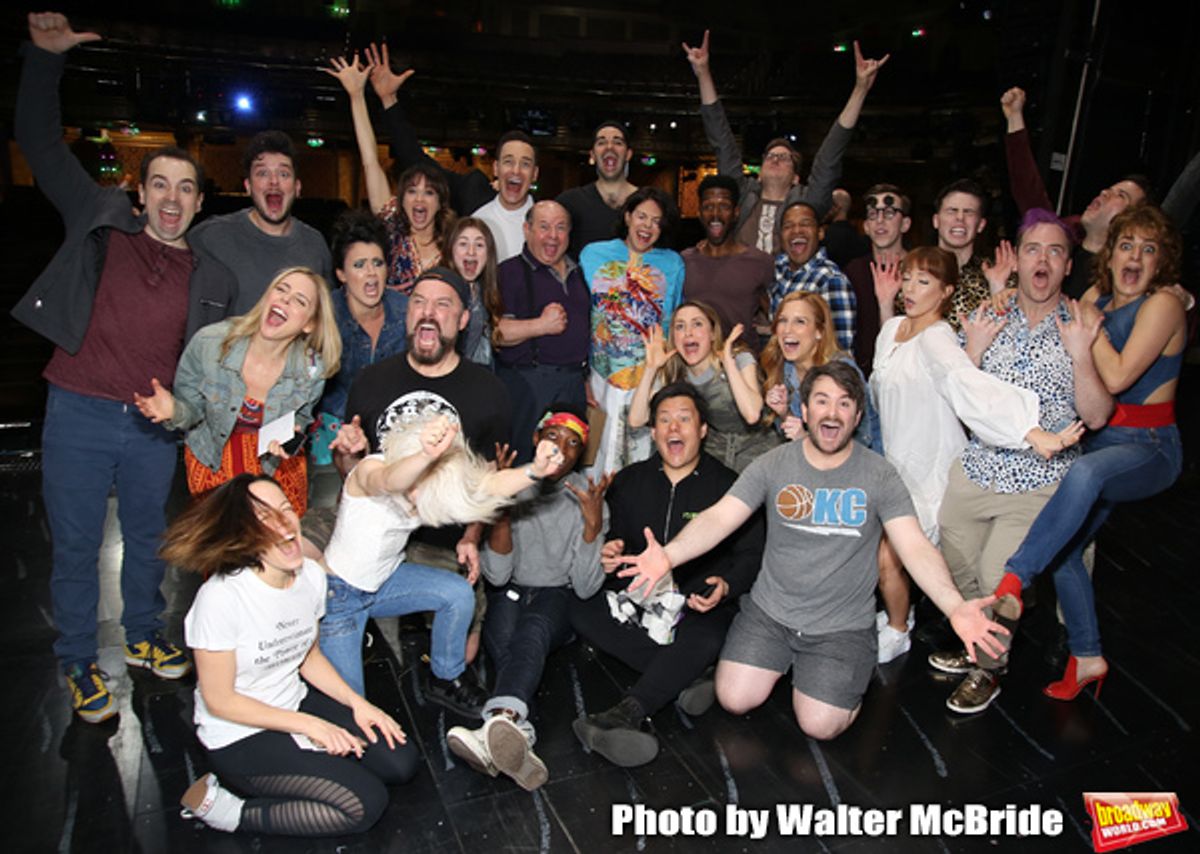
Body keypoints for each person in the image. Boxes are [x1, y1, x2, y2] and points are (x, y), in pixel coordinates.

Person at [14, 12, 237, 723]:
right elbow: (40, 146)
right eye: (160, 186)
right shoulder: (99, 219)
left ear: (200, 204)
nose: (171, 199)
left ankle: (142, 635)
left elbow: (210, 365)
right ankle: (80, 663)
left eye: (186, 190)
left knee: (149, 540)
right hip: (77, 409)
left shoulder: (210, 275)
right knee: (78, 544)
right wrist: (44, 60)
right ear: (140, 193)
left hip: (148, 427)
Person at [614, 362, 1008, 741]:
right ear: (804, 410)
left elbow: (915, 547)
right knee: (733, 699)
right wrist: (669, 555)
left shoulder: (879, 475)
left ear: (856, 417)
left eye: (844, 403)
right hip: (770, 615)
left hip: (840, 627)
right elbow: (719, 518)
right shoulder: (773, 465)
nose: (831, 412)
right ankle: (795, 668)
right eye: (821, 400)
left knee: (819, 725)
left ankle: (839, 673)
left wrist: (955, 606)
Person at [991, 205, 1186, 700]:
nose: (1135, 256)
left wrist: (1086, 326)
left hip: (1149, 446)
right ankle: (1088, 656)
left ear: (1162, 262)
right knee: (1068, 551)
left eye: (1149, 249)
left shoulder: (1162, 303)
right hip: (1102, 442)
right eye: (1127, 245)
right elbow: (1056, 308)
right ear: (1111, 252)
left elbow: (1118, 376)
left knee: (1082, 478)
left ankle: (1014, 578)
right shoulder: (1095, 297)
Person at [163, 475, 419, 836]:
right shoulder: (220, 599)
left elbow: (308, 656)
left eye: (285, 509)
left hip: (293, 703)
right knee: (364, 804)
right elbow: (219, 701)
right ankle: (231, 812)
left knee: (401, 764)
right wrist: (313, 727)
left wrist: (357, 703)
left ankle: (312, 760)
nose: (284, 523)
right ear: (242, 533)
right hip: (239, 735)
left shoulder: (311, 577)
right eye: (265, 518)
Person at [931, 209, 1113, 714]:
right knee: (954, 562)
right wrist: (973, 347)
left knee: (997, 576)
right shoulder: (994, 313)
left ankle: (989, 668)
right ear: (1018, 258)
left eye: (1055, 251)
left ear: (1068, 264)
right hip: (978, 466)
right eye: (1034, 249)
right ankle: (978, 638)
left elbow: (1097, 416)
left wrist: (1080, 355)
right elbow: (962, 395)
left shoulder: (1084, 323)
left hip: (1042, 477)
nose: (1043, 259)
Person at [868, 246, 1081, 662]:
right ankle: (943, 624)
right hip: (897, 465)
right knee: (927, 564)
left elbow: (966, 383)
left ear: (947, 291)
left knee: (891, 558)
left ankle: (900, 629)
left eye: (924, 281)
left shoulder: (937, 338)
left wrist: (1028, 430)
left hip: (933, 471)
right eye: (907, 278)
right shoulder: (891, 328)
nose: (910, 288)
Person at [318, 412, 567, 714]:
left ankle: (445, 677)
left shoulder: (436, 483)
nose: (421, 499)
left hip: (387, 581)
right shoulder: (373, 468)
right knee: (349, 707)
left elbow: (489, 486)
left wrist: (535, 470)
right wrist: (425, 454)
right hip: (339, 596)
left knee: (458, 593)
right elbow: (387, 480)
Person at [570, 384, 763, 766]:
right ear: (654, 432)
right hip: (637, 599)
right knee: (578, 607)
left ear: (703, 429)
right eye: (664, 420)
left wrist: (725, 586)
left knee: (709, 633)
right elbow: (617, 539)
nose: (674, 427)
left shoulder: (730, 487)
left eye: (685, 418)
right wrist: (611, 550)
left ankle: (629, 711)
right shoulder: (630, 480)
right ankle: (686, 675)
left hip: (697, 605)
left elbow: (752, 554)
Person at [335, 267, 512, 665]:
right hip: (375, 531)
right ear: (408, 314)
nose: (428, 312)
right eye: (419, 302)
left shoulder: (489, 391)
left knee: (461, 654)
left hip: (442, 538)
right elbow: (353, 472)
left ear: (463, 320)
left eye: (442, 304)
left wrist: (471, 535)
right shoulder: (371, 379)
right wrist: (348, 452)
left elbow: (487, 481)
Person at [447, 406, 606, 790]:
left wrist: (592, 526)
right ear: (536, 440)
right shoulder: (514, 483)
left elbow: (585, 588)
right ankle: (518, 733)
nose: (561, 450)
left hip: (559, 597)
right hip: (515, 588)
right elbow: (499, 576)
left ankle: (494, 722)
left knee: (531, 631)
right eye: (553, 437)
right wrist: (500, 507)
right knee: (502, 642)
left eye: (573, 444)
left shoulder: (589, 495)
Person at [134, 267, 339, 516]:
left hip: (275, 467)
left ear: (309, 324)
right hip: (214, 458)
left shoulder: (312, 369)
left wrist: (292, 432)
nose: (285, 299)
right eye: (281, 289)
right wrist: (173, 411)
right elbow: (192, 413)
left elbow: (303, 417)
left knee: (274, 547)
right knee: (222, 546)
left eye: (299, 300)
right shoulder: (210, 343)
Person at [683, 30, 888, 252]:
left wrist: (860, 89)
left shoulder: (808, 202)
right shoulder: (742, 195)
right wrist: (703, 73)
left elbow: (829, 156)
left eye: (784, 157)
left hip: (791, 286)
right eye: (770, 156)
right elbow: (723, 144)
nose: (776, 159)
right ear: (759, 173)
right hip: (741, 284)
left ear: (796, 178)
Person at [581, 187, 686, 474]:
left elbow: (674, 317)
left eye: (656, 221)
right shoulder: (592, 255)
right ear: (627, 216)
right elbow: (583, 313)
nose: (647, 226)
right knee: (598, 457)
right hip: (602, 374)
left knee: (643, 454)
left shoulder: (673, 263)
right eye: (641, 216)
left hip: (650, 376)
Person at [326, 55, 451, 292]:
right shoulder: (392, 225)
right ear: (401, 199)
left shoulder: (453, 246)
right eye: (412, 191)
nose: (419, 199)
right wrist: (356, 97)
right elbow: (371, 161)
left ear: (440, 202)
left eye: (429, 192)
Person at [189, 130, 332, 314]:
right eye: (263, 173)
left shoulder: (315, 245)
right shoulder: (211, 237)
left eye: (284, 174)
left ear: (297, 188)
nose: (274, 181)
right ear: (248, 186)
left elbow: (325, 319)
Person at [494, 201, 591, 462]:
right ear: (527, 230)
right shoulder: (508, 272)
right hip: (530, 386)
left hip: (572, 385)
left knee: (567, 465)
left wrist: (585, 377)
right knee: (526, 466)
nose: (553, 236)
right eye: (544, 227)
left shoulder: (579, 273)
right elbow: (495, 332)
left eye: (561, 228)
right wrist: (541, 325)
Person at [629, 302, 779, 472]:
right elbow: (636, 419)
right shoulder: (674, 371)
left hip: (759, 451)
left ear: (713, 334)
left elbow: (752, 414)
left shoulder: (738, 358)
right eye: (680, 327)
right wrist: (651, 369)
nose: (688, 333)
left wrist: (729, 366)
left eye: (697, 324)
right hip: (715, 454)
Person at [312, 209, 408, 465]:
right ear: (341, 274)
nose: (371, 273)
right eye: (359, 265)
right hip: (332, 438)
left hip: (394, 435)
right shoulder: (323, 316)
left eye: (377, 263)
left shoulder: (406, 311)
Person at [761, 291, 876, 450]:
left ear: (819, 331)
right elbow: (792, 436)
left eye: (800, 321)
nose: (787, 330)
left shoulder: (841, 371)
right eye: (783, 320)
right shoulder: (785, 368)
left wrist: (804, 439)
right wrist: (783, 412)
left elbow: (861, 440)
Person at [681, 175, 774, 352]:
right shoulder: (684, 262)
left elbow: (774, 313)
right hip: (695, 365)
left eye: (724, 206)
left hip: (743, 365)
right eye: (708, 207)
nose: (715, 214)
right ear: (699, 212)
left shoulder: (760, 262)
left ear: (736, 212)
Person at [840, 184, 913, 375]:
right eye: (873, 214)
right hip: (864, 380)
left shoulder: (921, 271)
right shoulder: (853, 272)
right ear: (866, 226)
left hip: (910, 378)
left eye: (889, 213)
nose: (880, 221)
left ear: (905, 224)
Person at [769, 201, 857, 351]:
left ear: (820, 232)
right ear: (780, 237)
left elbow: (840, 351)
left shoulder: (831, 280)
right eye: (788, 226)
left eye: (805, 224)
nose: (797, 230)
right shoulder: (775, 270)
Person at [557, 121, 638, 259]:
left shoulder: (647, 204)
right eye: (601, 142)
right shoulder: (569, 203)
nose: (609, 147)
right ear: (593, 155)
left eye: (617, 142)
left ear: (628, 154)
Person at [445, 216, 502, 368]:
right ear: (451, 249)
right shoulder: (439, 293)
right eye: (463, 244)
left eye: (479, 245)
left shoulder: (484, 292)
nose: (471, 252)